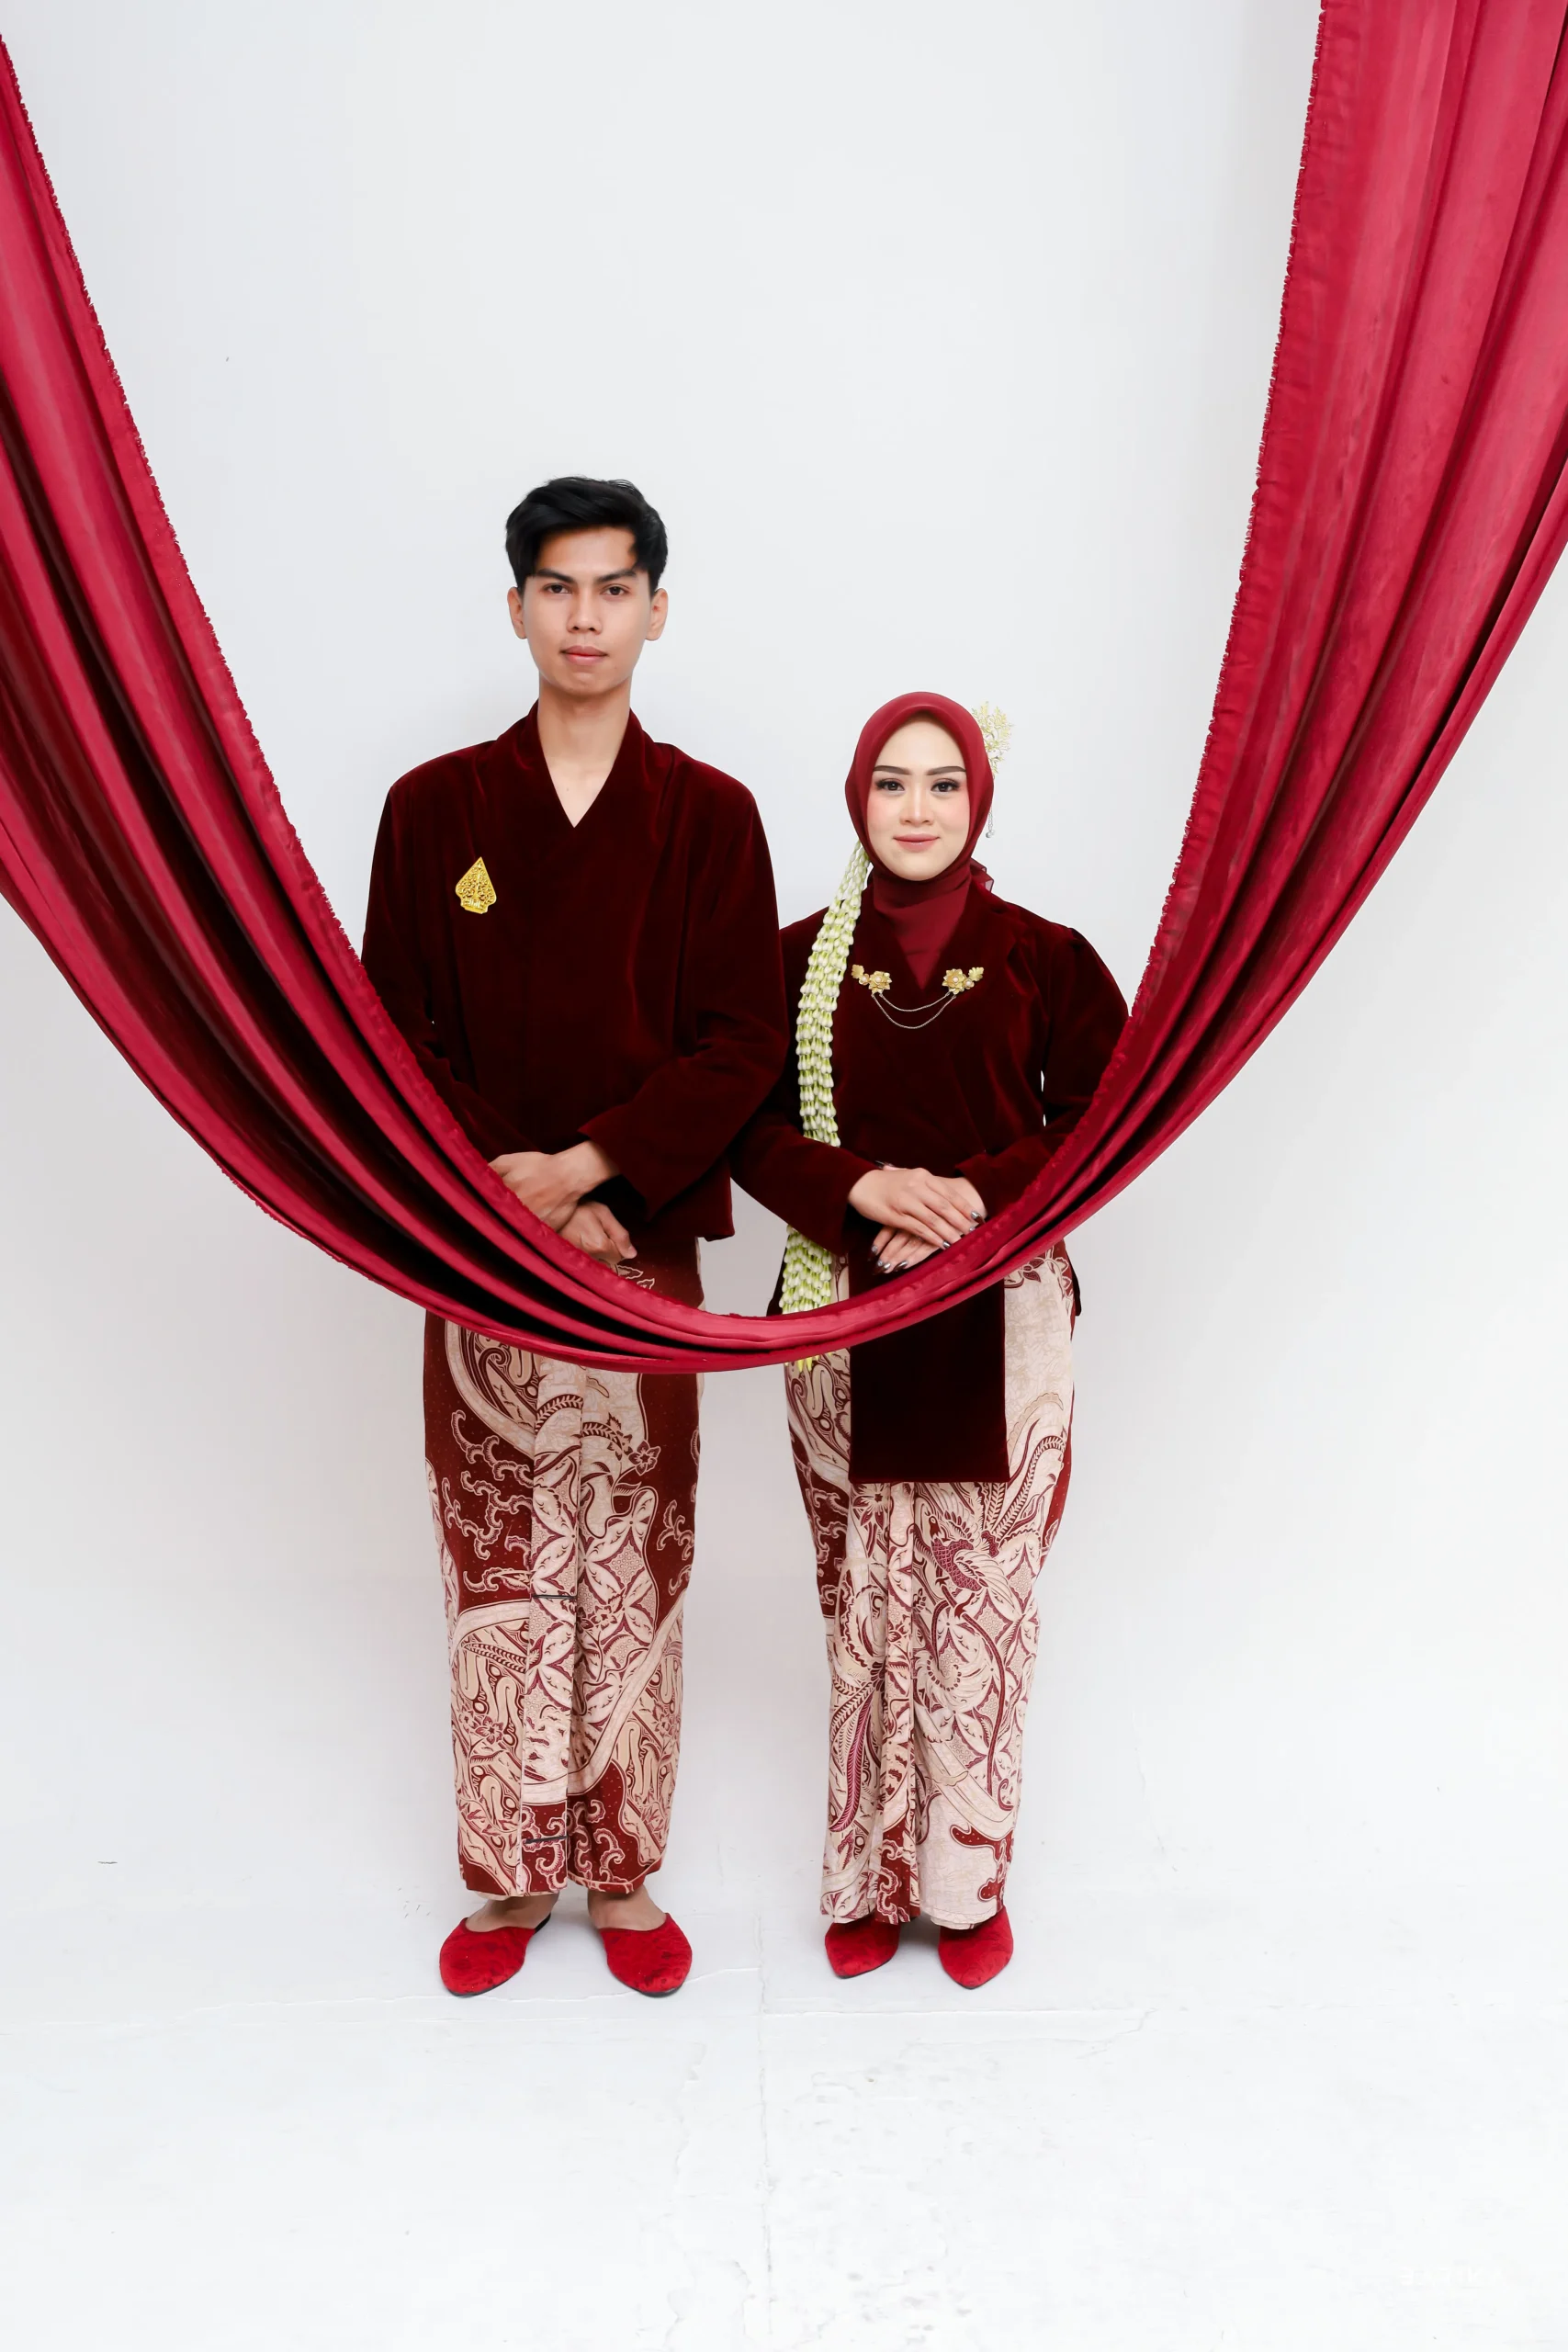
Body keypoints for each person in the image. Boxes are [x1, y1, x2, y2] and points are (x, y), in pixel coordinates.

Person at [363, 477, 786, 1997]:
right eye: (557, 587)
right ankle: (503, 1881)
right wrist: (507, 1182)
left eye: (614, 588)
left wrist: (598, 1170)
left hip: (637, 1243)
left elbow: (742, 1041)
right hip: (475, 1236)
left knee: (634, 1555)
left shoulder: (711, 817)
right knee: (497, 1556)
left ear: (656, 610)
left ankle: (621, 1871)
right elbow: (389, 1031)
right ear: (516, 607)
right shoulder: (434, 810)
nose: (584, 616)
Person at [732, 692, 1126, 1987]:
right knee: (863, 1598)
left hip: (1003, 1316)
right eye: (891, 783)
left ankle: (967, 1887)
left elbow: (1103, 1116)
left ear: (978, 800)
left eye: (942, 783)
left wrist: (966, 1203)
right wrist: (863, 1191)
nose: (916, 808)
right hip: (840, 1319)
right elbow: (744, 1129)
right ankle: (866, 1881)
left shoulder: (1045, 957)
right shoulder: (793, 961)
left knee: (983, 1609)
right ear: (858, 799)